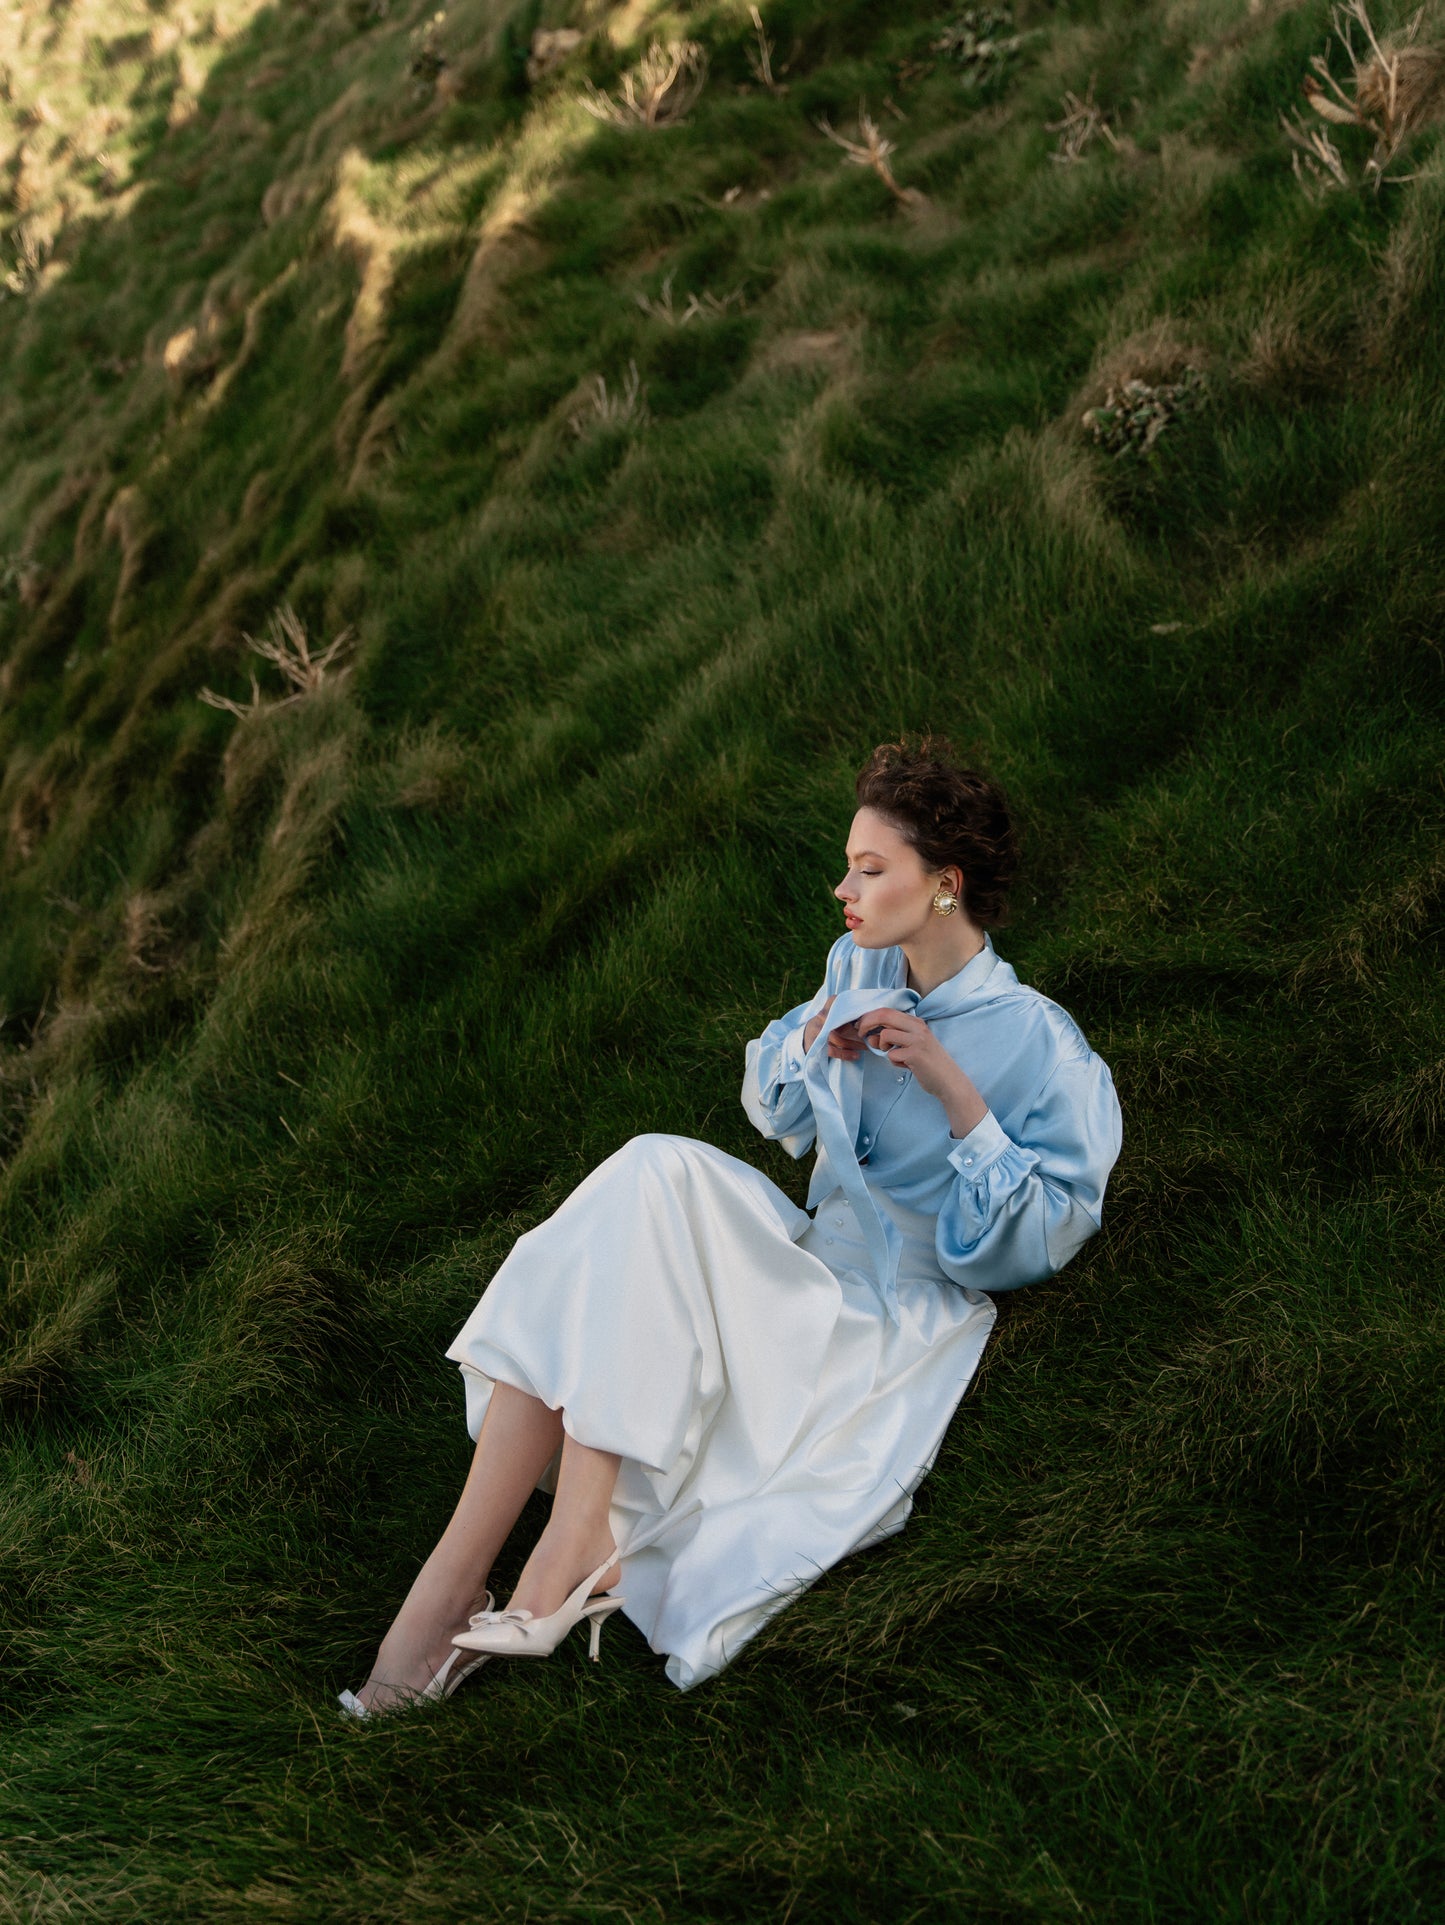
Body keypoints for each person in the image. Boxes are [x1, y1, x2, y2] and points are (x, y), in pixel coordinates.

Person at [340, 738, 1122, 1713]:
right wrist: (811, 1032)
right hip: (802, 1258)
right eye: (848, 860)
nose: (843, 885)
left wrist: (952, 1089)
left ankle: (530, 1572)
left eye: (870, 869)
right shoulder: (862, 958)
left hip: (885, 1320)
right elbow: (774, 1105)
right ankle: (468, 1578)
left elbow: (1031, 1238)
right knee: (648, 1172)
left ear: (944, 885)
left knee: (647, 1191)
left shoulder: (1038, 1043)